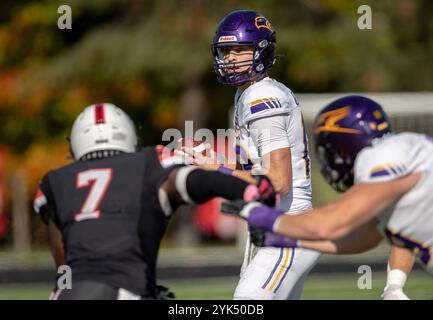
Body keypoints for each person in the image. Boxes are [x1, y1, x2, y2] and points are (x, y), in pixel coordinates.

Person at [33, 103, 277, 300]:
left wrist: (63, 289)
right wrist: (249, 190)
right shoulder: (148, 164)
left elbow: (63, 263)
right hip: (121, 289)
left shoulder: (56, 181)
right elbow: (194, 182)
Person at [222, 95, 433, 296]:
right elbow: (365, 237)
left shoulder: (380, 157)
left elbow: (334, 222)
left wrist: (266, 218)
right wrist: (289, 239)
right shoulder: (408, 151)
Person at [183, 10, 320, 300]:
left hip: (287, 225)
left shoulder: (261, 98)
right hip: (272, 224)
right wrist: (216, 162)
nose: (231, 57)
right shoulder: (249, 93)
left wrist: (217, 173)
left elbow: (279, 181)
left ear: (261, 50)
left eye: (240, 49)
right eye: (226, 50)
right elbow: (256, 163)